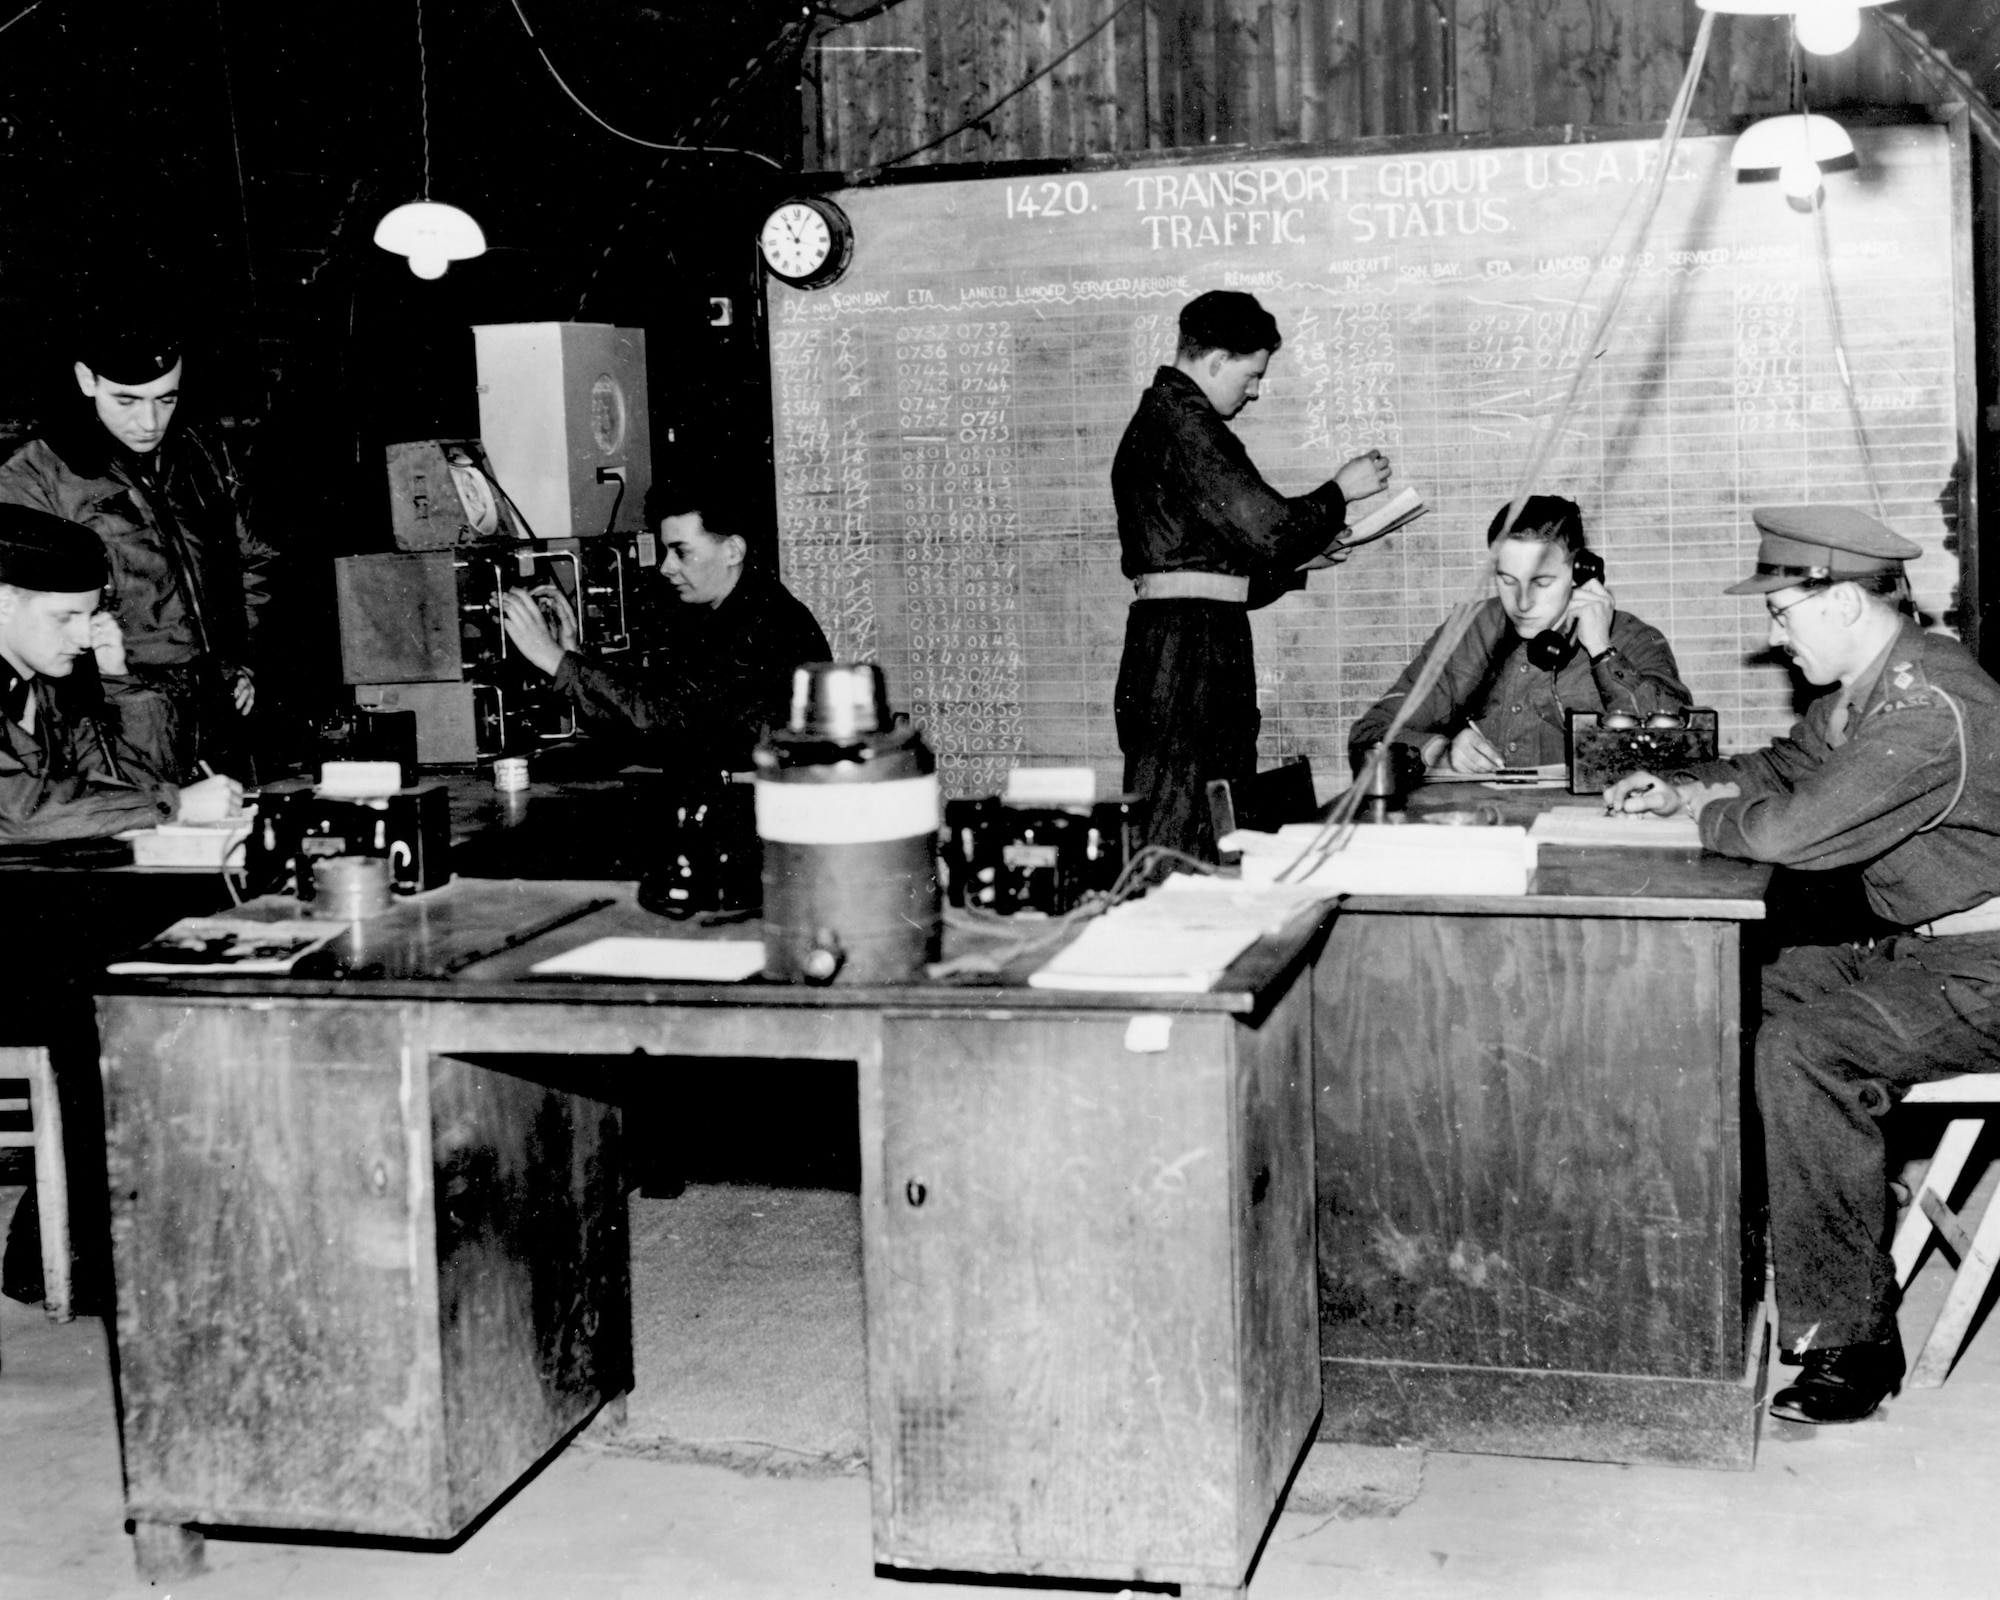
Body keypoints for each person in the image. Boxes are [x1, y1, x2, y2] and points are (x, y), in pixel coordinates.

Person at [1607, 504, 2000, 1425]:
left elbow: (1797, 832)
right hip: (1919, 948)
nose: (1773, 636)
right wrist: (1690, 786)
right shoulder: (1868, 691)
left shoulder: (1928, 707)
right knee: (1713, 993)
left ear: (1846, 604)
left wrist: (1695, 821)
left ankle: (1850, 1341)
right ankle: (1809, 1215)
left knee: (1803, 1050)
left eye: (1782, 612)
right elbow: (1785, 765)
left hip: (1989, 967)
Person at [1, 501, 243, 1313]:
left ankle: (72, 1239)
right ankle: (81, 1251)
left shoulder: (39, 677)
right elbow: (21, 811)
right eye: (65, 616)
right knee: (109, 1003)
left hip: (26, 916)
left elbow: (113, 781)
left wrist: (108, 682)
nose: (78, 631)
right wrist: (176, 807)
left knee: (140, 975)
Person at [1113, 289, 1392, 861]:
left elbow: (1208, 569)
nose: (1255, 392)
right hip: (1186, 652)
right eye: (1251, 375)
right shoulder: (1185, 424)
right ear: (1216, 361)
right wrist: (1341, 490)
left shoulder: (1168, 419)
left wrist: (1297, 565)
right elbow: (1267, 530)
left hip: (1187, 638)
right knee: (1180, 831)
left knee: (1207, 822)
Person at [0, 321, 279, 781]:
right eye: (127, 401)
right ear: (88, 381)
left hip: (219, 710)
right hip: (115, 715)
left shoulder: (198, 454)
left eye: (165, 399)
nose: (149, 423)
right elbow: (22, 619)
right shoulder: (35, 478)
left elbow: (254, 560)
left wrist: (241, 658)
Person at [499, 481, 831, 779]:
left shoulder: (766, 625)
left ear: (732, 550)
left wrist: (554, 658)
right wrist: (575, 657)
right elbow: (658, 697)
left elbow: (665, 721)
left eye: (681, 551)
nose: (666, 567)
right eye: (665, 551)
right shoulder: (727, 613)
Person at [1348, 495, 1690, 775]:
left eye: (1541, 582)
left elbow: (1680, 752)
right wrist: (1438, 750)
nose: (1522, 602)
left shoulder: (1632, 639)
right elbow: (1370, 734)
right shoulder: (1471, 630)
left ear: (1581, 572)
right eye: (1507, 581)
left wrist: (1601, 650)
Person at [0, 502, 242, 843]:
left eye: (91, 616)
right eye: (65, 617)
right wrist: (173, 804)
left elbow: (124, 792)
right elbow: (13, 813)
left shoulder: (45, 688)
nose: (85, 637)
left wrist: (118, 683)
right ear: (4, 604)